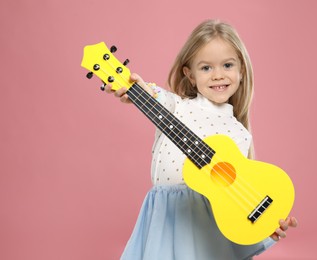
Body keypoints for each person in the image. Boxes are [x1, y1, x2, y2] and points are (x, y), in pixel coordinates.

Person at [105, 19, 298, 260]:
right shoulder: (176, 107)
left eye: (227, 65)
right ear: (191, 75)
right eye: (206, 68)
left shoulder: (240, 132)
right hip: (168, 216)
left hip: (210, 229)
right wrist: (132, 90)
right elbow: (153, 94)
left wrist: (267, 225)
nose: (218, 75)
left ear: (241, 71)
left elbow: (241, 195)